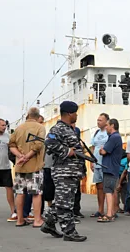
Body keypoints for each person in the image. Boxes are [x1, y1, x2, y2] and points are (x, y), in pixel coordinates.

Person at [41, 101, 86, 242]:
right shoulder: (59, 128)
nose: (77, 115)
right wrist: (67, 152)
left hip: (71, 171)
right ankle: (69, 232)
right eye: (75, 113)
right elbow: (49, 142)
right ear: (69, 113)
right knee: (65, 203)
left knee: (63, 200)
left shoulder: (69, 129)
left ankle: (49, 223)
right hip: (64, 171)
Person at [9, 107, 46, 228]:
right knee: (36, 193)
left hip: (20, 166)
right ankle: (37, 220)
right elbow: (38, 145)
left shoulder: (19, 128)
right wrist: (27, 157)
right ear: (37, 116)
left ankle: (20, 219)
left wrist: (20, 156)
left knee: (20, 193)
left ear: (28, 115)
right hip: (34, 166)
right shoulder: (40, 128)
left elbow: (11, 144)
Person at [98, 119, 124, 222]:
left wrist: (101, 150)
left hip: (109, 167)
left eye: (107, 125)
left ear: (112, 125)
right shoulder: (117, 137)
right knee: (112, 190)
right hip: (114, 167)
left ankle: (109, 214)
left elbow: (104, 151)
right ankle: (112, 212)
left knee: (108, 190)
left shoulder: (114, 137)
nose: (106, 127)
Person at [90, 113, 109, 218]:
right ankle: (100, 209)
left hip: (105, 163)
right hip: (97, 163)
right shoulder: (96, 132)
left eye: (100, 120)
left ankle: (111, 210)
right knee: (99, 186)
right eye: (97, 120)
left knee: (108, 187)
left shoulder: (109, 133)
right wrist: (91, 162)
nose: (98, 122)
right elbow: (92, 148)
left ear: (106, 121)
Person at [72, 124, 85, 222]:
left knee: (77, 191)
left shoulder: (79, 145)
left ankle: (76, 210)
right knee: (68, 193)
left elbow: (82, 157)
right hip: (67, 169)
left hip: (77, 168)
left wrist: (83, 170)